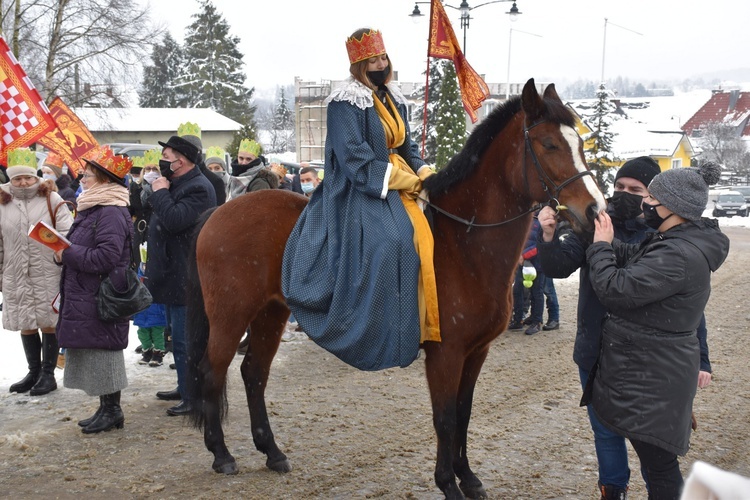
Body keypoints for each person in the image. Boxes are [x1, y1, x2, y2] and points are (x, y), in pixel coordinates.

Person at [281, 28, 438, 371]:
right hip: (360, 184)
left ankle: (425, 321)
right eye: (374, 60)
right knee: (391, 241)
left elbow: (407, 147)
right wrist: (404, 180)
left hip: (401, 177)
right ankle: (379, 331)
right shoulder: (345, 101)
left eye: (384, 57)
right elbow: (354, 157)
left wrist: (426, 174)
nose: (382, 63)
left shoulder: (394, 97)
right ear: (359, 65)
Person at [585, 161, 728, 498]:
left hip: (654, 378)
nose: (645, 205)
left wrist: (601, 248)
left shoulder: (678, 254)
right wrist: (600, 236)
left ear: (673, 207)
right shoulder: (674, 241)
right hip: (654, 373)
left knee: (660, 468)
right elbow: (635, 256)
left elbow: (615, 290)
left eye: (650, 198)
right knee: (657, 463)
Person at [537, 156, 662, 498]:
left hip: (642, 355)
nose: (623, 193)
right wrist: (547, 235)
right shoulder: (594, 224)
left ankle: (660, 490)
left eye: (635, 189)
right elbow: (559, 267)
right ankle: (613, 489)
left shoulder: (662, 233)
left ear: (653, 196)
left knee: (647, 437)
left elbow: (688, 306)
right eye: (619, 186)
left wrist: (702, 359)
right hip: (594, 350)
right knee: (605, 433)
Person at [54, 146, 134, 434]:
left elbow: (106, 257)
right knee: (99, 348)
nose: (81, 179)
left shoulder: (110, 211)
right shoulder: (94, 206)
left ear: (102, 179)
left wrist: (67, 253)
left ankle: (113, 410)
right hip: (91, 291)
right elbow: (84, 246)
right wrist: (60, 249)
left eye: (86, 175)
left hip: (102, 293)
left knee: (106, 350)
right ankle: (106, 408)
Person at [146, 128, 217, 416]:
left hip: (187, 275)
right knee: (177, 335)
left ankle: (193, 396)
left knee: (189, 339)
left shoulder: (198, 187)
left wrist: (160, 192)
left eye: (166, 157)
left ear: (182, 161)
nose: (162, 162)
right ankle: (184, 386)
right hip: (172, 273)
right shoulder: (176, 183)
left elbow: (175, 220)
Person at [2, 148, 74, 395]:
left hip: (48, 271)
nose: (23, 182)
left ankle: (48, 374)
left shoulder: (50, 199)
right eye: (17, 178)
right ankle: (32, 372)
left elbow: (68, 231)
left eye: (28, 177)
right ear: (10, 180)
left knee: (48, 322)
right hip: (15, 272)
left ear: (36, 177)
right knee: (26, 322)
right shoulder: (3, 202)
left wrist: (57, 246)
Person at [509, 216, 547, 335]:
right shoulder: (524, 219)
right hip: (523, 263)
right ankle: (518, 319)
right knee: (517, 290)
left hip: (537, 264)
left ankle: (537, 322)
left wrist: (524, 255)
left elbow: (540, 245)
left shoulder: (541, 221)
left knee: (536, 293)